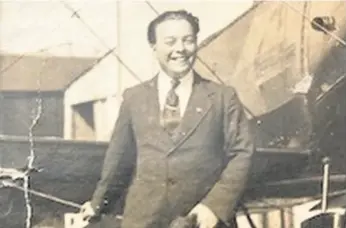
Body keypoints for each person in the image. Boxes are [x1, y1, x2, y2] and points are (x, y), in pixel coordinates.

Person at [81, 9, 254, 228]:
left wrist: (214, 207)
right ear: (154, 47)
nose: (180, 49)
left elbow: (242, 154)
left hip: (202, 222)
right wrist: (97, 205)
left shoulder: (223, 97)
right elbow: (118, 161)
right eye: (170, 42)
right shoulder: (134, 98)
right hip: (143, 221)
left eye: (188, 40)